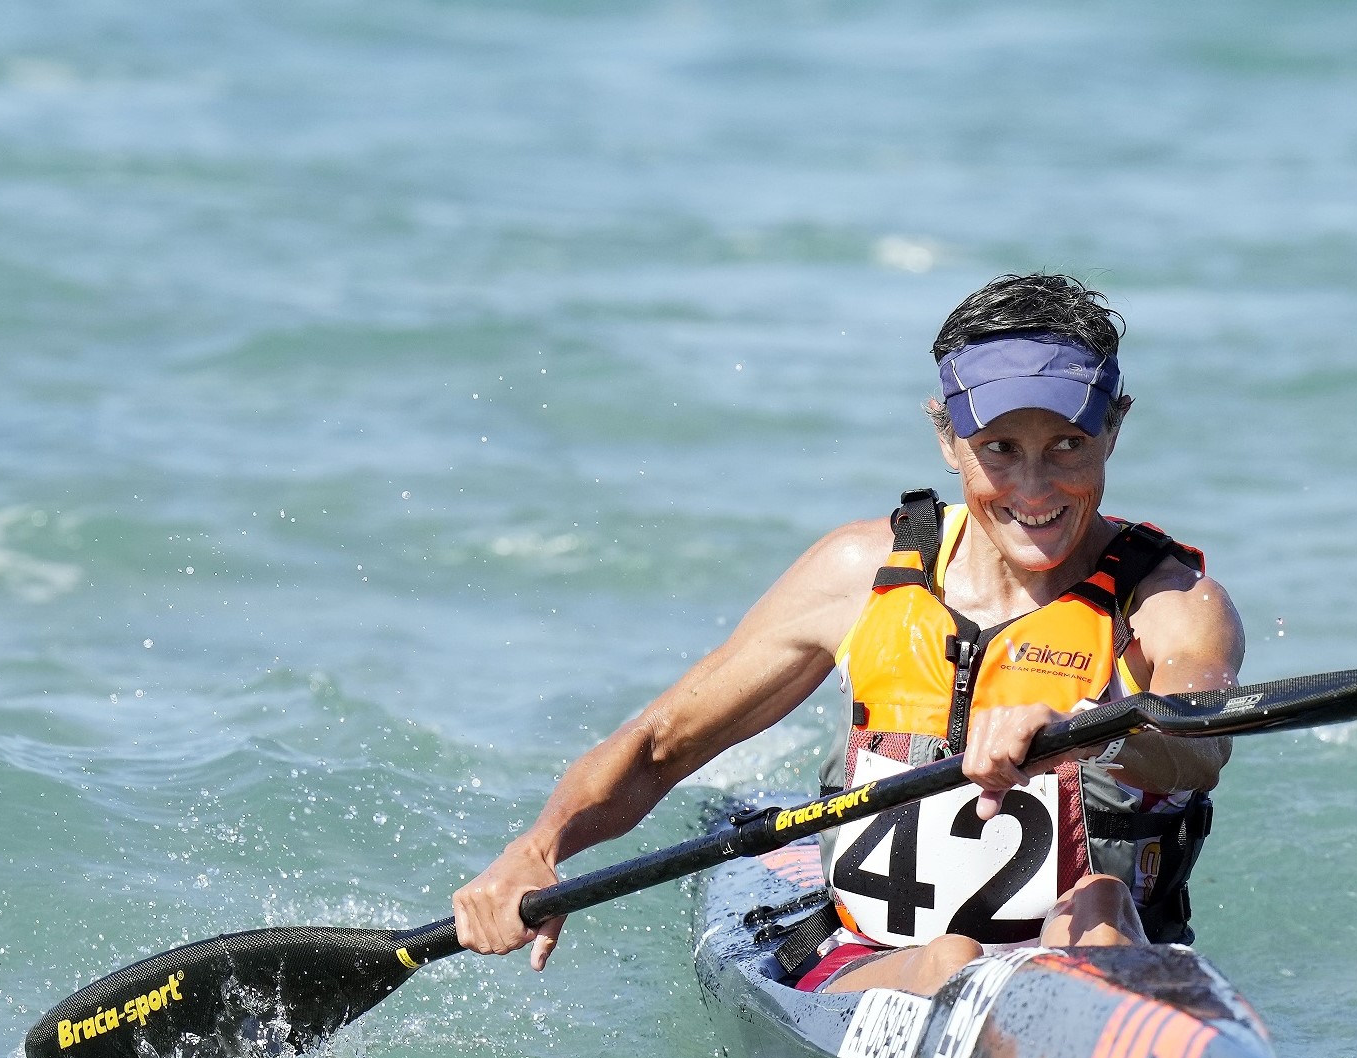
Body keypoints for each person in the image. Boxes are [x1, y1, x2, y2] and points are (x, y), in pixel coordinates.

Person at [452, 273, 1246, 996]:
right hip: (868, 971)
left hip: (1095, 972)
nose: (1034, 488)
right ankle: (951, 985)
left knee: (1100, 908)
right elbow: (663, 745)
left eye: (1066, 445)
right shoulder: (861, 572)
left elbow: (1199, 741)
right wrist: (543, 844)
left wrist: (1084, 733)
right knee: (947, 960)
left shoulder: (1167, 598)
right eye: (999, 450)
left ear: (1114, 428)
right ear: (945, 438)